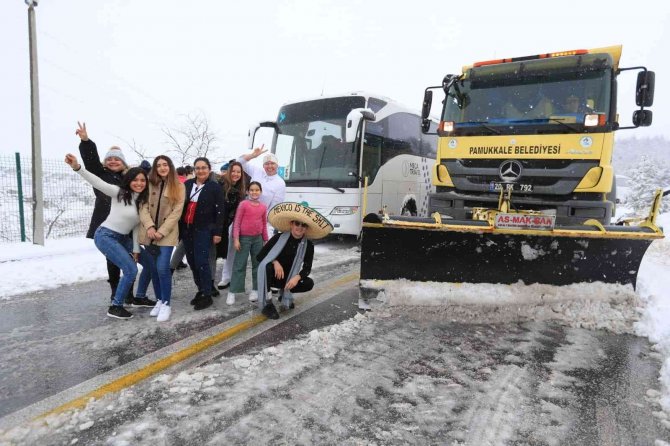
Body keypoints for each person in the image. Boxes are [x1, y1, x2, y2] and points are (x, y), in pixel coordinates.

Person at [65, 153, 149, 319]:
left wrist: (136, 249)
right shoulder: (119, 192)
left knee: (149, 263)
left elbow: (136, 227)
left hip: (124, 238)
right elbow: (97, 182)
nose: (139, 183)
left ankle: (138, 297)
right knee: (130, 270)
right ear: (129, 180)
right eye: (135, 180)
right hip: (106, 236)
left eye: (142, 180)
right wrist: (77, 167)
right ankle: (115, 306)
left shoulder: (143, 201)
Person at [76, 122, 138, 306]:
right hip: (107, 223)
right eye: (110, 159)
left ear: (123, 162)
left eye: (117, 159)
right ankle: (115, 292)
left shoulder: (129, 178)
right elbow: (91, 162)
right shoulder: (100, 173)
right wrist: (86, 141)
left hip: (126, 223)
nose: (113, 161)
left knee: (130, 259)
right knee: (113, 260)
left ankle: (129, 294)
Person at [256, 202, 333, 319]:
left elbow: (307, 268)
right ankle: (268, 303)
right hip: (273, 277)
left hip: (289, 280)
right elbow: (260, 256)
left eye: (304, 225)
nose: (300, 227)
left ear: (306, 228)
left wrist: (297, 278)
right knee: (266, 266)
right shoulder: (278, 238)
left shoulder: (308, 246)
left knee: (308, 283)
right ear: (292, 224)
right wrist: (275, 262)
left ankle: (284, 295)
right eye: (297, 223)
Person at [136, 155, 185, 322]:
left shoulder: (178, 186)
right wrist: (149, 226)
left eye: (165, 165)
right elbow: (142, 207)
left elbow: (176, 212)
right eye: (159, 165)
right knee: (154, 268)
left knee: (163, 268)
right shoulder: (149, 184)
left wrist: (161, 231)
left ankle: (166, 303)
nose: (162, 168)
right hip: (149, 233)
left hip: (167, 234)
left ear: (170, 167)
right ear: (155, 168)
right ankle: (159, 299)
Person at [179, 157, 225, 311]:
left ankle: (207, 293)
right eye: (197, 168)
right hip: (187, 229)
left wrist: (218, 232)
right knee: (192, 262)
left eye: (204, 167)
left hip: (204, 229)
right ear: (194, 170)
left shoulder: (215, 187)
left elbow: (220, 212)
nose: (200, 170)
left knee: (201, 261)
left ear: (209, 169)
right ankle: (201, 289)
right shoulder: (187, 184)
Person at [227, 181, 268, 305]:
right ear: (247, 192)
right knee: (239, 265)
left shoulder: (263, 207)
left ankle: (255, 289)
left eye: (257, 190)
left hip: (258, 239)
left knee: (258, 264)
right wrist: (236, 239)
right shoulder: (243, 205)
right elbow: (237, 223)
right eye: (252, 190)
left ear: (260, 192)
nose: (254, 192)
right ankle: (232, 291)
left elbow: (264, 224)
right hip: (243, 239)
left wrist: (265, 239)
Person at [238, 145, 286, 235]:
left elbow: (274, 208)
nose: (270, 166)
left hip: (265, 223)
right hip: (246, 217)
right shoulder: (257, 171)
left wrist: (258, 220)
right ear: (263, 165)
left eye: (272, 163)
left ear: (277, 165)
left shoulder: (280, 183)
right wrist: (252, 155)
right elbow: (239, 163)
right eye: (267, 163)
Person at [217, 161, 246, 290]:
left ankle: (228, 277)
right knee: (215, 253)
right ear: (229, 172)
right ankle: (216, 279)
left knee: (233, 251)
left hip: (234, 224)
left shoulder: (242, 188)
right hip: (220, 223)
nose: (235, 174)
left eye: (238, 172)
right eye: (233, 171)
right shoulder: (221, 185)